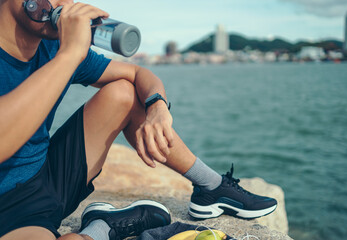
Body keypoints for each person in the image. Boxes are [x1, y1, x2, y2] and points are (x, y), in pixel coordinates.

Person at [0, 0, 278, 239]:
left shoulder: (52, 50)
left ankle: (211, 186)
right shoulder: (64, 53)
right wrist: (70, 54)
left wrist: (157, 107)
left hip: (47, 177)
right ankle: (101, 229)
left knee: (124, 92)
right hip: (11, 209)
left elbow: (137, 75)